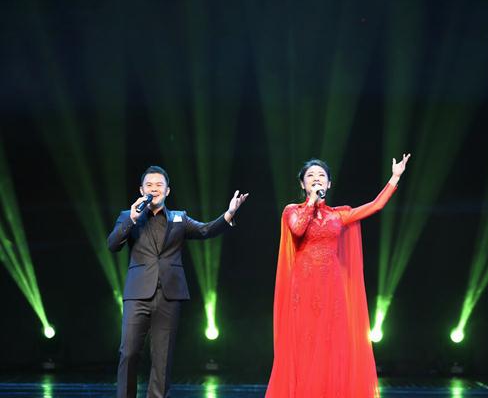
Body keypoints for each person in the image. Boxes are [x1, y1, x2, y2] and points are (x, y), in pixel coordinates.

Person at [265, 154, 410, 398]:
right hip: (303, 289)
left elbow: (375, 206)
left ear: (329, 183)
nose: (316, 179)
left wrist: (394, 178)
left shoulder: (339, 215)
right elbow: (298, 229)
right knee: (304, 344)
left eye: (321, 175)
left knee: (331, 345)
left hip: (331, 288)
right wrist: (311, 202)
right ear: (302, 184)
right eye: (310, 176)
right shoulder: (292, 211)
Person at [108, 165, 248, 398]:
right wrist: (131, 220)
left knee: (162, 358)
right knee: (129, 352)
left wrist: (229, 213)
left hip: (169, 295)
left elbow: (205, 230)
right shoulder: (128, 216)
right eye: (149, 185)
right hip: (137, 294)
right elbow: (113, 245)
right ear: (141, 190)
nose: (154, 189)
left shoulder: (178, 218)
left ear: (167, 190)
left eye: (159, 185)